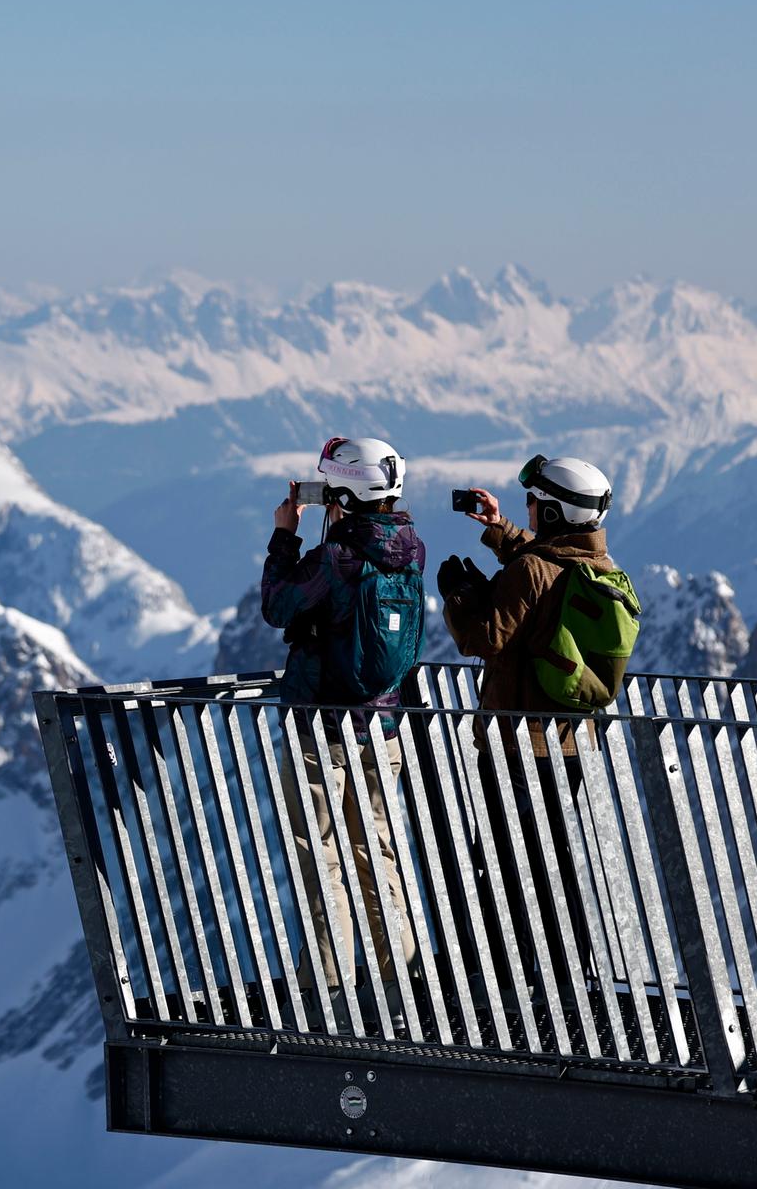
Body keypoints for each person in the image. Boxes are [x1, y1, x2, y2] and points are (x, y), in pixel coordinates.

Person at [261, 436, 425, 1030]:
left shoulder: (336, 561)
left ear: (344, 492)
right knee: (375, 851)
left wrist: (287, 534)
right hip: (384, 727)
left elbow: (279, 606)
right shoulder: (410, 552)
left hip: (323, 727)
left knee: (320, 857)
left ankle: (328, 989)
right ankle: (399, 982)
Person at [439, 454, 615, 1003]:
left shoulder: (530, 570)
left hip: (516, 742)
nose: (528, 511)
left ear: (556, 513)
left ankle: (498, 981)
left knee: (501, 861)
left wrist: (460, 599)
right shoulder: (597, 567)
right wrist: (499, 530)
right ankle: (569, 979)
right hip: (569, 743)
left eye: (535, 504)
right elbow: (543, 570)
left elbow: (485, 639)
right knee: (556, 859)